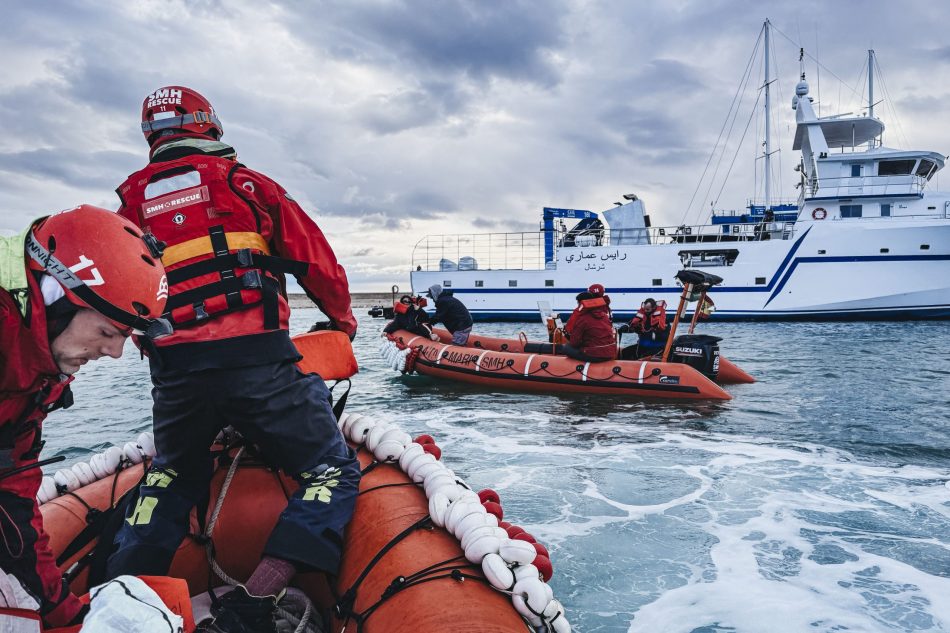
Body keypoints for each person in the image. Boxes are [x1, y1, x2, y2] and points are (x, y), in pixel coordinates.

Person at [106, 85, 361, 632]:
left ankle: (120, 593)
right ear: (209, 125)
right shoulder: (247, 185)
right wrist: (342, 322)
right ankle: (263, 592)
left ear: (151, 135)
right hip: (258, 364)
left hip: (174, 372)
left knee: (173, 473)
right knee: (330, 470)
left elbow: (121, 287)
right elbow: (316, 261)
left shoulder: (130, 201)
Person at [0, 205, 168, 629]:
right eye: (108, 333)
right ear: (56, 297)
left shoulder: (40, 369)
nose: (114, 353)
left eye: (125, 337)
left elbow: (12, 487)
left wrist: (62, 611)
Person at [562, 286, 617, 362]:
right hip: (611, 352)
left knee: (566, 348)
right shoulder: (604, 315)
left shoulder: (583, 318)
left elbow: (575, 342)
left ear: (580, 303)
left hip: (594, 354)